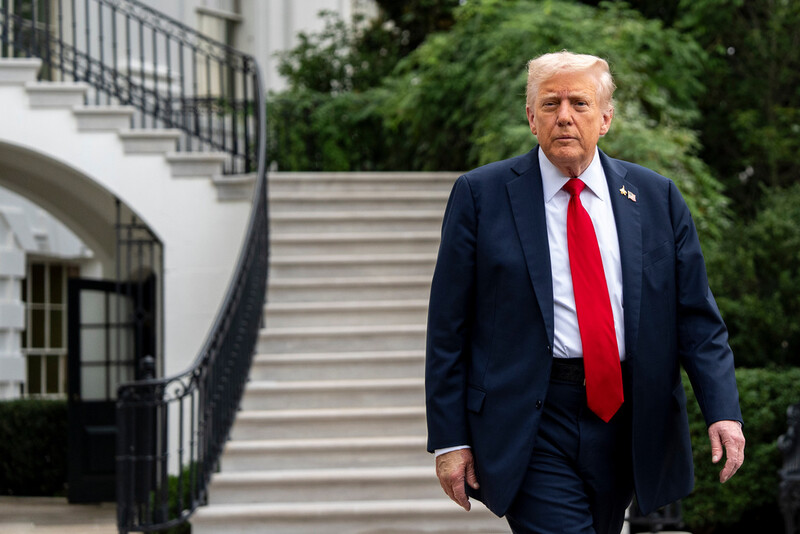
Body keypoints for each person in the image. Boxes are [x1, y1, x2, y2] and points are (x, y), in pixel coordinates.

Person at [425, 50, 745, 534]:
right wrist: (450, 440)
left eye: (579, 102)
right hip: (531, 417)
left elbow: (697, 320)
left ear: (606, 119)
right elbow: (448, 327)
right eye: (551, 104)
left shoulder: (656, 197)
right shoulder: (480, 195)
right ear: (532, 119)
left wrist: (723, 411)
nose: (565, 116)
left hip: (625, 416)